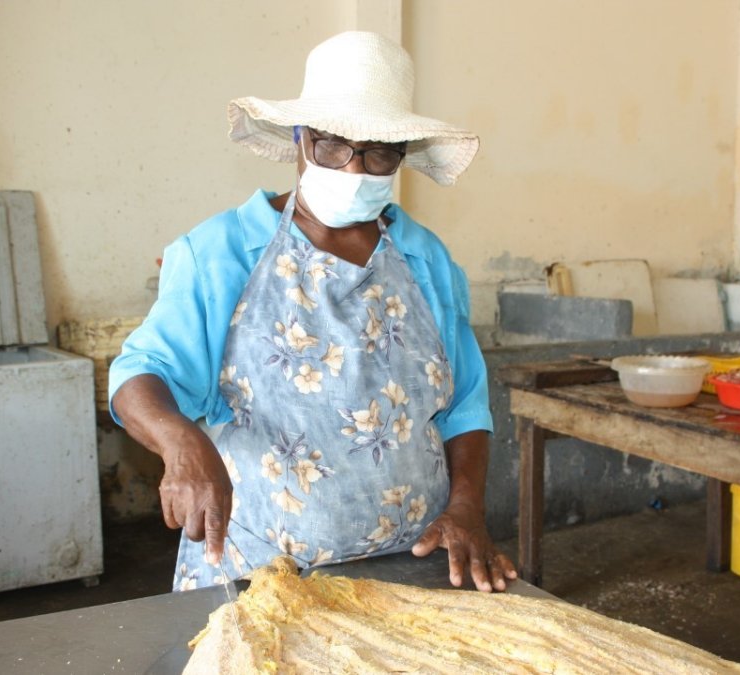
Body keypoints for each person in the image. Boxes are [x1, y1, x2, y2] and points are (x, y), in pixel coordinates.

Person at [108, 31, 517, 593]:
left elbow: (466, 406)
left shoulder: (426, 260)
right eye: (331, 145)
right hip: (263, 573)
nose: (354, 170)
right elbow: (138, 376)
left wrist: (467, 507)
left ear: (400, 157)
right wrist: (181, 442)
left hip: (410, 566)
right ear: (299, 139)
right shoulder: (222, 254)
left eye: (377, 152)